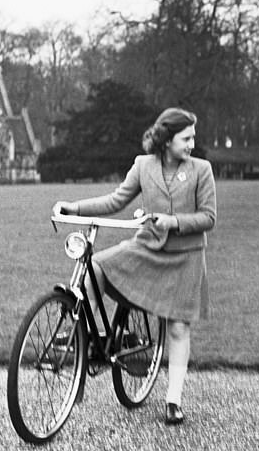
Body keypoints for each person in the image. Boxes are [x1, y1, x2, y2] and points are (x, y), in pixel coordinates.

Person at [53, 107, 217, 425]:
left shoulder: (201, 170)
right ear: (167, 140)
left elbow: (209, 217)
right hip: (147, 248)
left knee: (179, 327)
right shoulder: (144, 165)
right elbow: (116, 200)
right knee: (95, 269)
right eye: (186, 138)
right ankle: (88, 339)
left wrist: (174, 221)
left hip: (186, 256)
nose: (192, 144)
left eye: (192, 138)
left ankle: (173, 400)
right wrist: (73, 207)